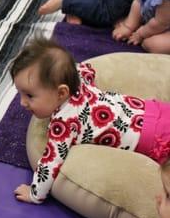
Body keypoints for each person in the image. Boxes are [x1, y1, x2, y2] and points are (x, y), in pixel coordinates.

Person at [11, 37, 170, 205]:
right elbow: (85, 69)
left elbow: (50, 163)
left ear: (61, 93)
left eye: (29, 95)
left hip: (154, 138)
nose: (22, 103)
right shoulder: (78, 80)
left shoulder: (63, 124)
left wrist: (35, 194)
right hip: (154, 109)